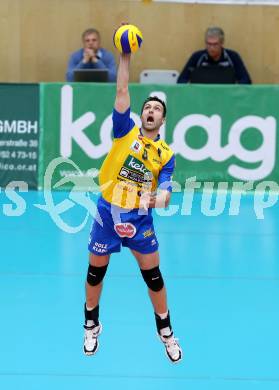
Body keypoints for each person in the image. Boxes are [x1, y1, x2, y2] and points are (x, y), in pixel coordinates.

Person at [83, 49, 182, 363]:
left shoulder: (166, 154)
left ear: (162, 120)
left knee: (153, 276)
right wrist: (124, 56)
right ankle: (91, 324)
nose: (151, 110)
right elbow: (122, 90)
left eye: (157, 109)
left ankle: (165, 332)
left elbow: (166, 192)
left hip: (139, 219)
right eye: (148, 107)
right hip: (108, 213)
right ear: (142, 115)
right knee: (95, 273)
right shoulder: (124, 131)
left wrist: (157, 198)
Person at [177, 27, 252, 84]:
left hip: (227, 98)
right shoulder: (197, 57)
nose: (211, 48)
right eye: (209, 44)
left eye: (215, 44)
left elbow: (246, 80)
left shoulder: (233, 57)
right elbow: (181, 80)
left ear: (222, 43)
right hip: (201, 99)